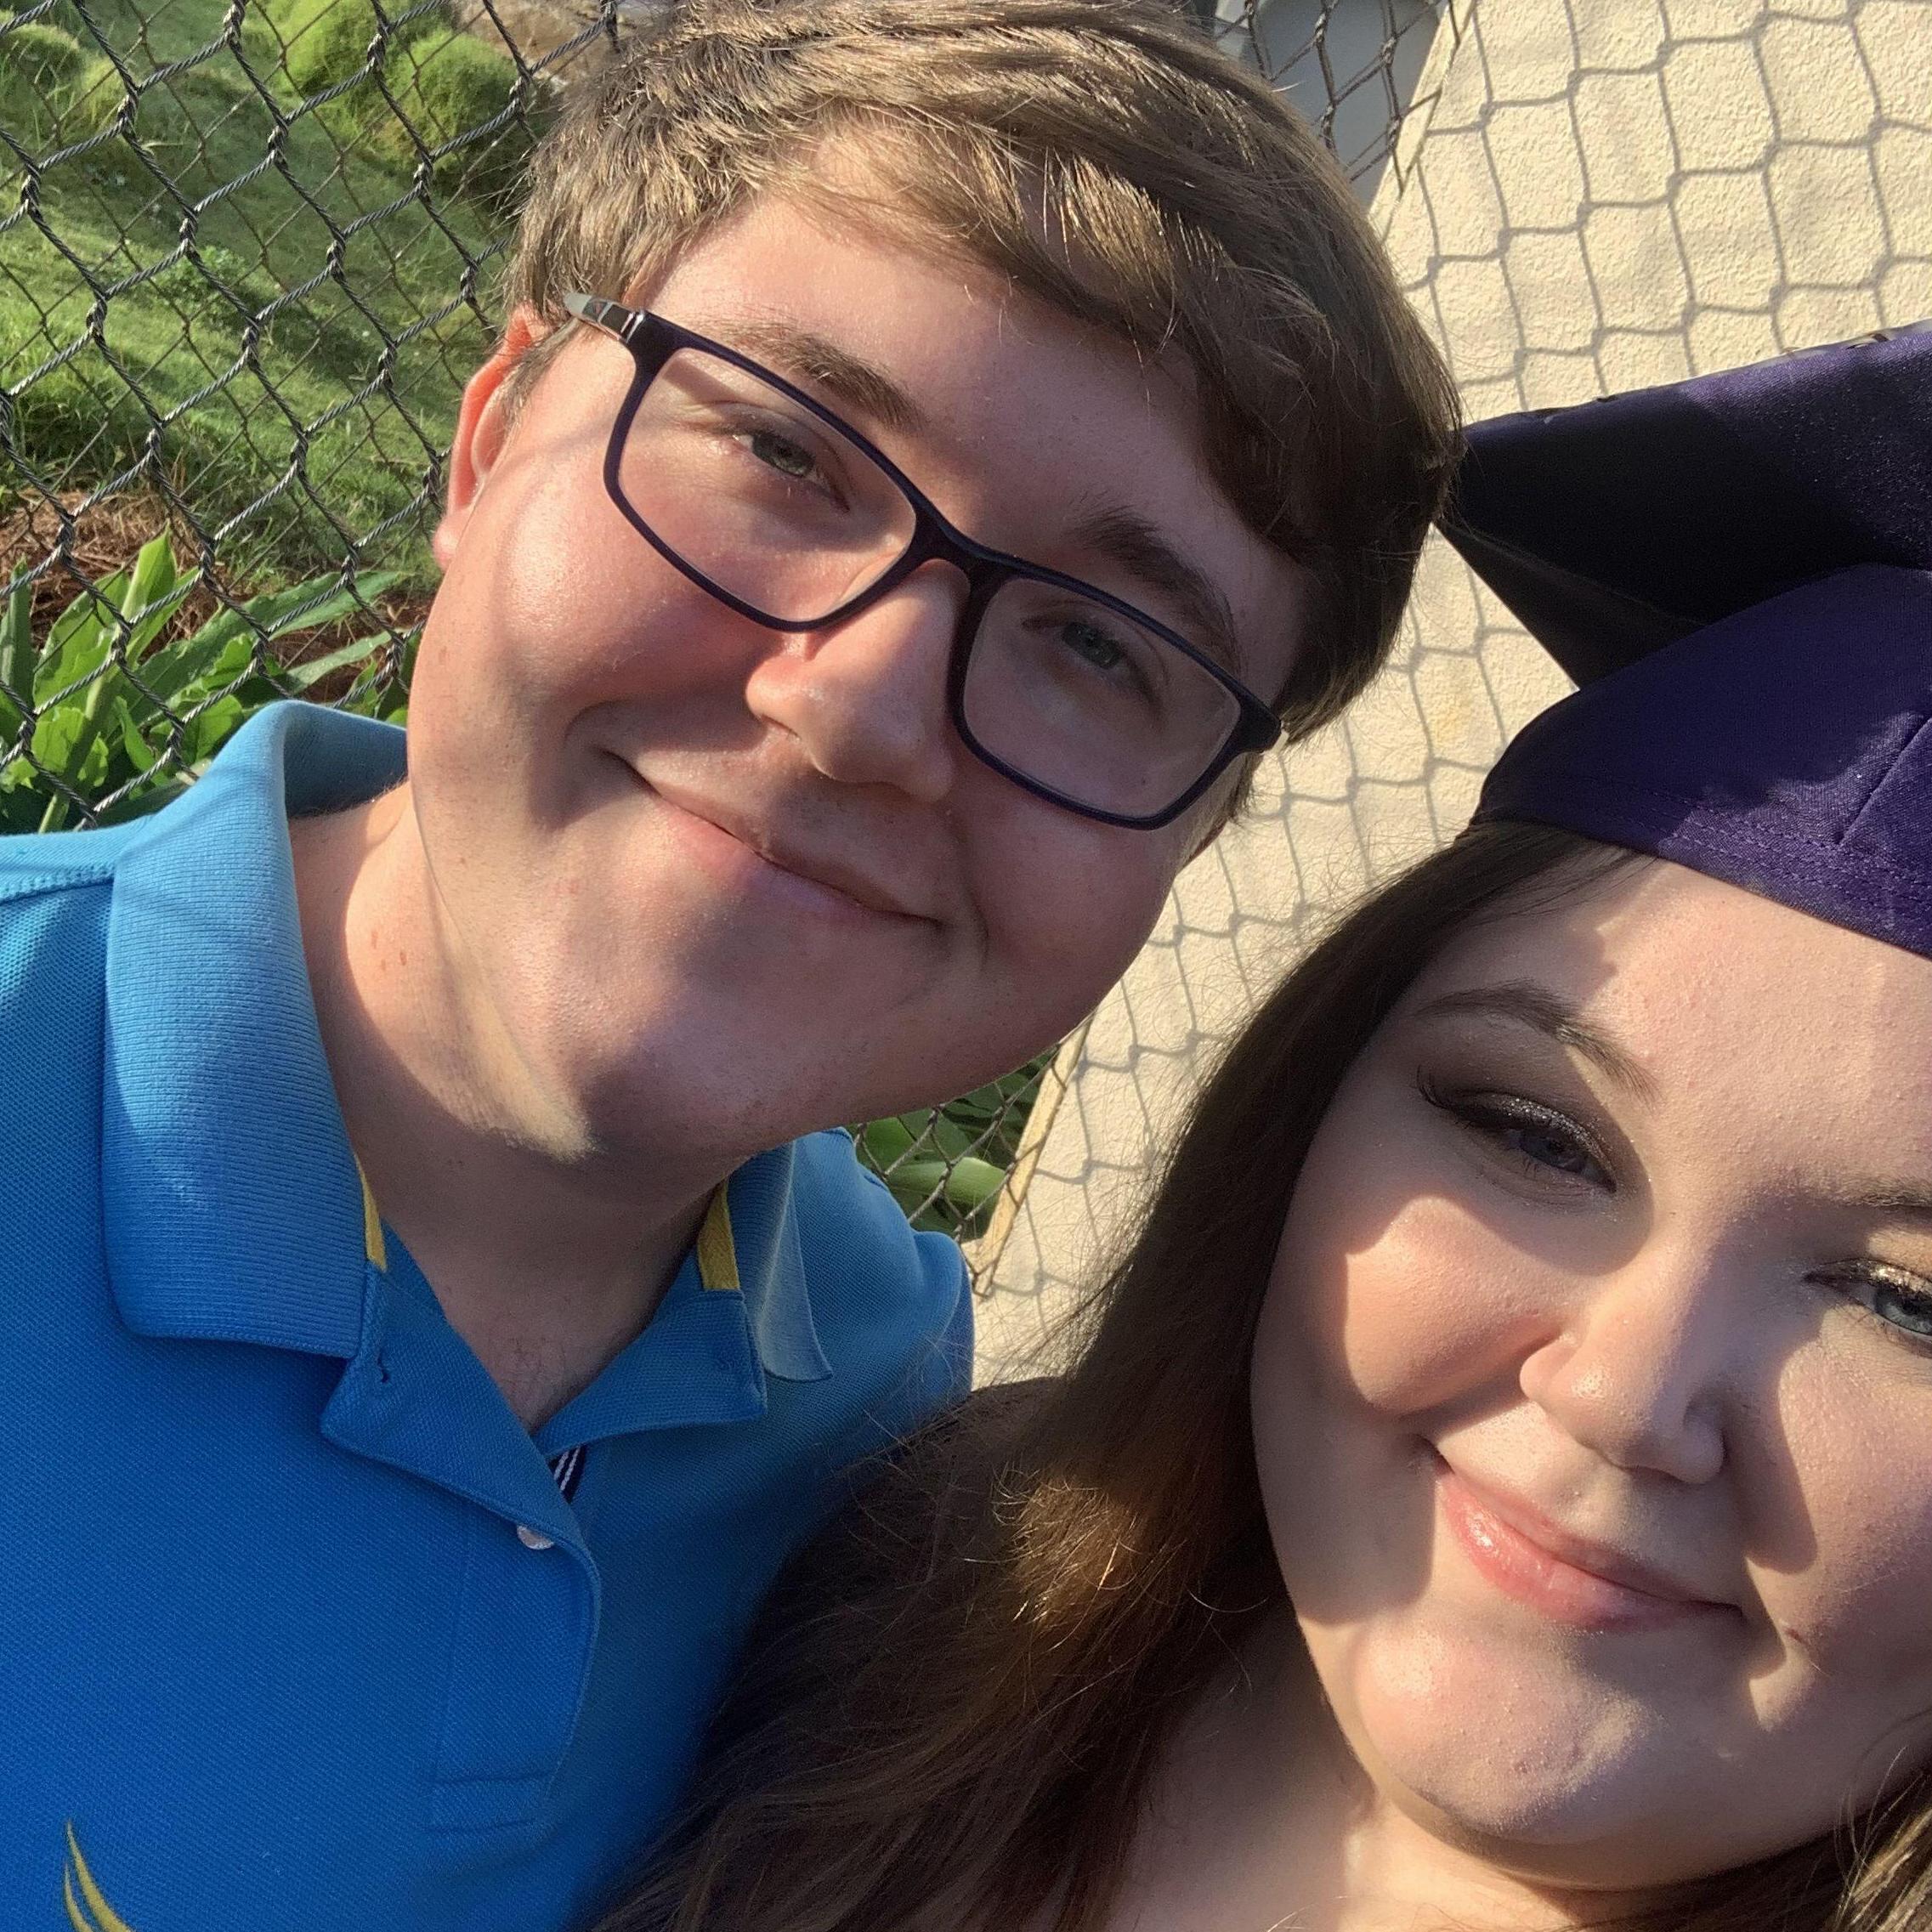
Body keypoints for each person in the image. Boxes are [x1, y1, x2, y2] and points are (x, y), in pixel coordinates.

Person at [0, 2, 1458, 1927]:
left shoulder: (865, 1398)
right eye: (783, 451)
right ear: (491, 436)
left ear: (1192, 836)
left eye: (1106, 647)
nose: (862, 707)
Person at [603, 323, 1932, 1932]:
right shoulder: (863, 1567)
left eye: (1902, 1300)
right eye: (1536, 1135)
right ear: (1313, 1105)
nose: (1618, 1397)